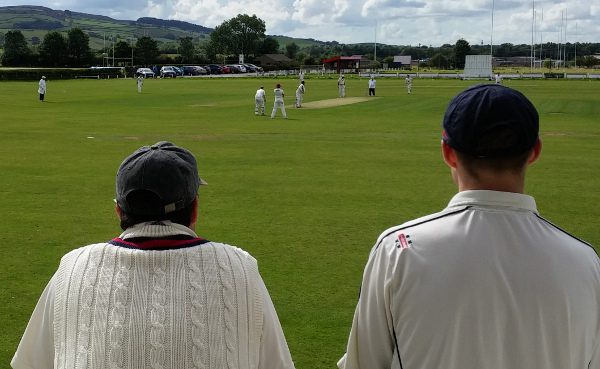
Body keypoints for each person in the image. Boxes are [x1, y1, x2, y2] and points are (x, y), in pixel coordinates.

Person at [338, 84, 600, 369]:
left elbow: (363, 363)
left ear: (448, 152)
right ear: (534, 151)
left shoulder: (398, 249)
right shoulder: (586, 262)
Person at [11, 141, 296, 369]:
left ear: (119, 211)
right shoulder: (240, 267)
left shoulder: (73, 266)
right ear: (195, 209)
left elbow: (32, 362)